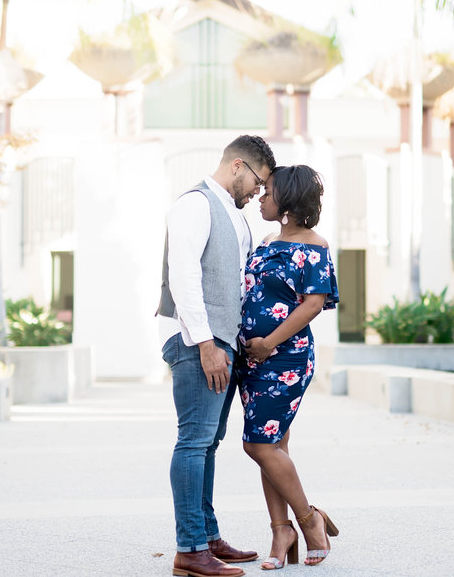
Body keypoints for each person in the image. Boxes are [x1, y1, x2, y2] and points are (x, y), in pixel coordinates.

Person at [157, 135, 277, 577]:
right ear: (238, 165)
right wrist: (206, 343)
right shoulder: (195, 204)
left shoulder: (234, 214)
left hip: (220, 340)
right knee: (194, 440)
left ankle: (206, 536)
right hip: (195, 341)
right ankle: (190, 549)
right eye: (259, 182)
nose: (259, 192)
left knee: (208, 442)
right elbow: (184, 276)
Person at [236, 165, 340, 570]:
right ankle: (280, 532)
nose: (260, 197)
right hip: (252, 360)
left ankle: (309, 520)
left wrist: (268, 344)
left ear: (289, 201)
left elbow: (313, 304)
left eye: (268, 192)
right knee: (273, 448)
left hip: (286, 359)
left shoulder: (315, 245)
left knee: (257, 444)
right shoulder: (264, 241)